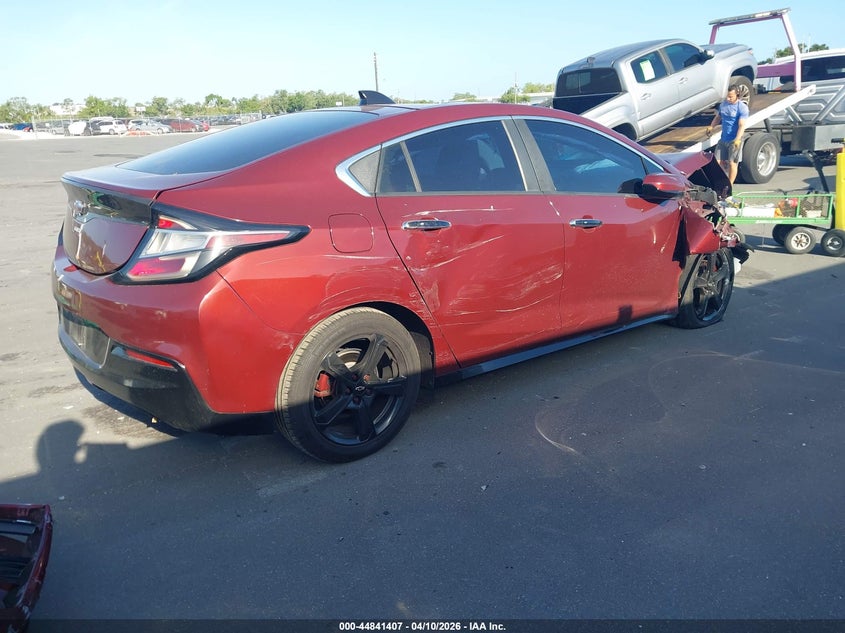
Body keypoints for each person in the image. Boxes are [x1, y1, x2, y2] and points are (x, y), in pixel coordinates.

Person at [706, 85, 749, 185]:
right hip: (723, 139)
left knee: (732, 163)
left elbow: (741, 125)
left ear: (737, 95)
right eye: (727, 96)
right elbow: (718, 117)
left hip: (734, 140)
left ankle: (729, 186)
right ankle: (722, 183)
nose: (728, 99)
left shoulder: (742, 108)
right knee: (717, 162)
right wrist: (711, 127)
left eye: (731, 97)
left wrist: (737, 139)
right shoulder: (723, 105)